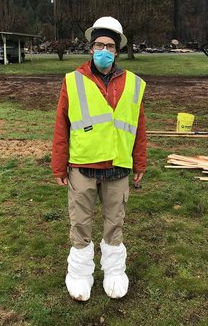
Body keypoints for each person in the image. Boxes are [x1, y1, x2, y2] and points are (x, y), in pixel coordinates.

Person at [51, 16, 147, 301]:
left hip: (118, 168)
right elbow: (61, 126)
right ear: (91, 48)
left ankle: (114, 270)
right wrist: (59, 163)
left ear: (117, 51)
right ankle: (80, 273)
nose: (104, 50)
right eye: (98, 45)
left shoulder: (133, 84)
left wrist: (139, 161)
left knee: (114, 221)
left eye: (109, 45)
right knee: (80, 222)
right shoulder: (72, 82)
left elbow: (138, 126)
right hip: (83, 167)